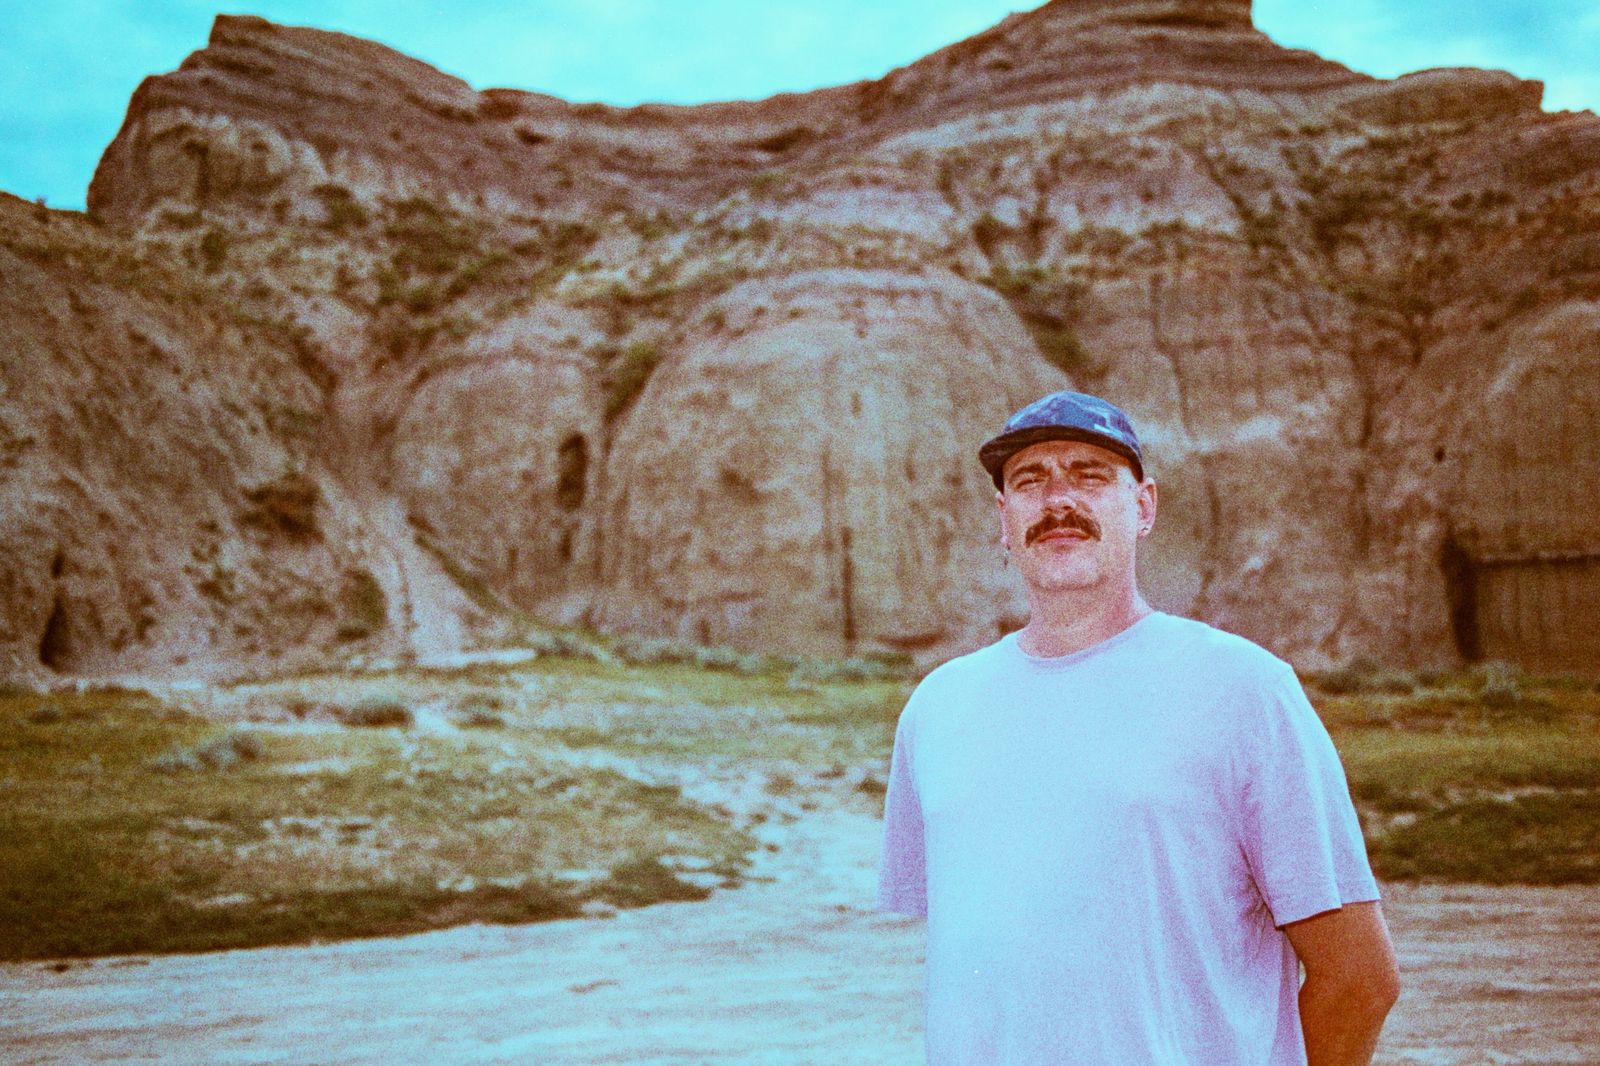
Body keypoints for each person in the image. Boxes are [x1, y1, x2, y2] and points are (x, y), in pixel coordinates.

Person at [878, 391, 1400, 1065]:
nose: (1058, 500)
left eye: (1090, 475)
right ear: (1003, 519)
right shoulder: (938, 708)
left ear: (1144, 507)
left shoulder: (1244, 691)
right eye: (1030, 481)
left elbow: (1360, 980)